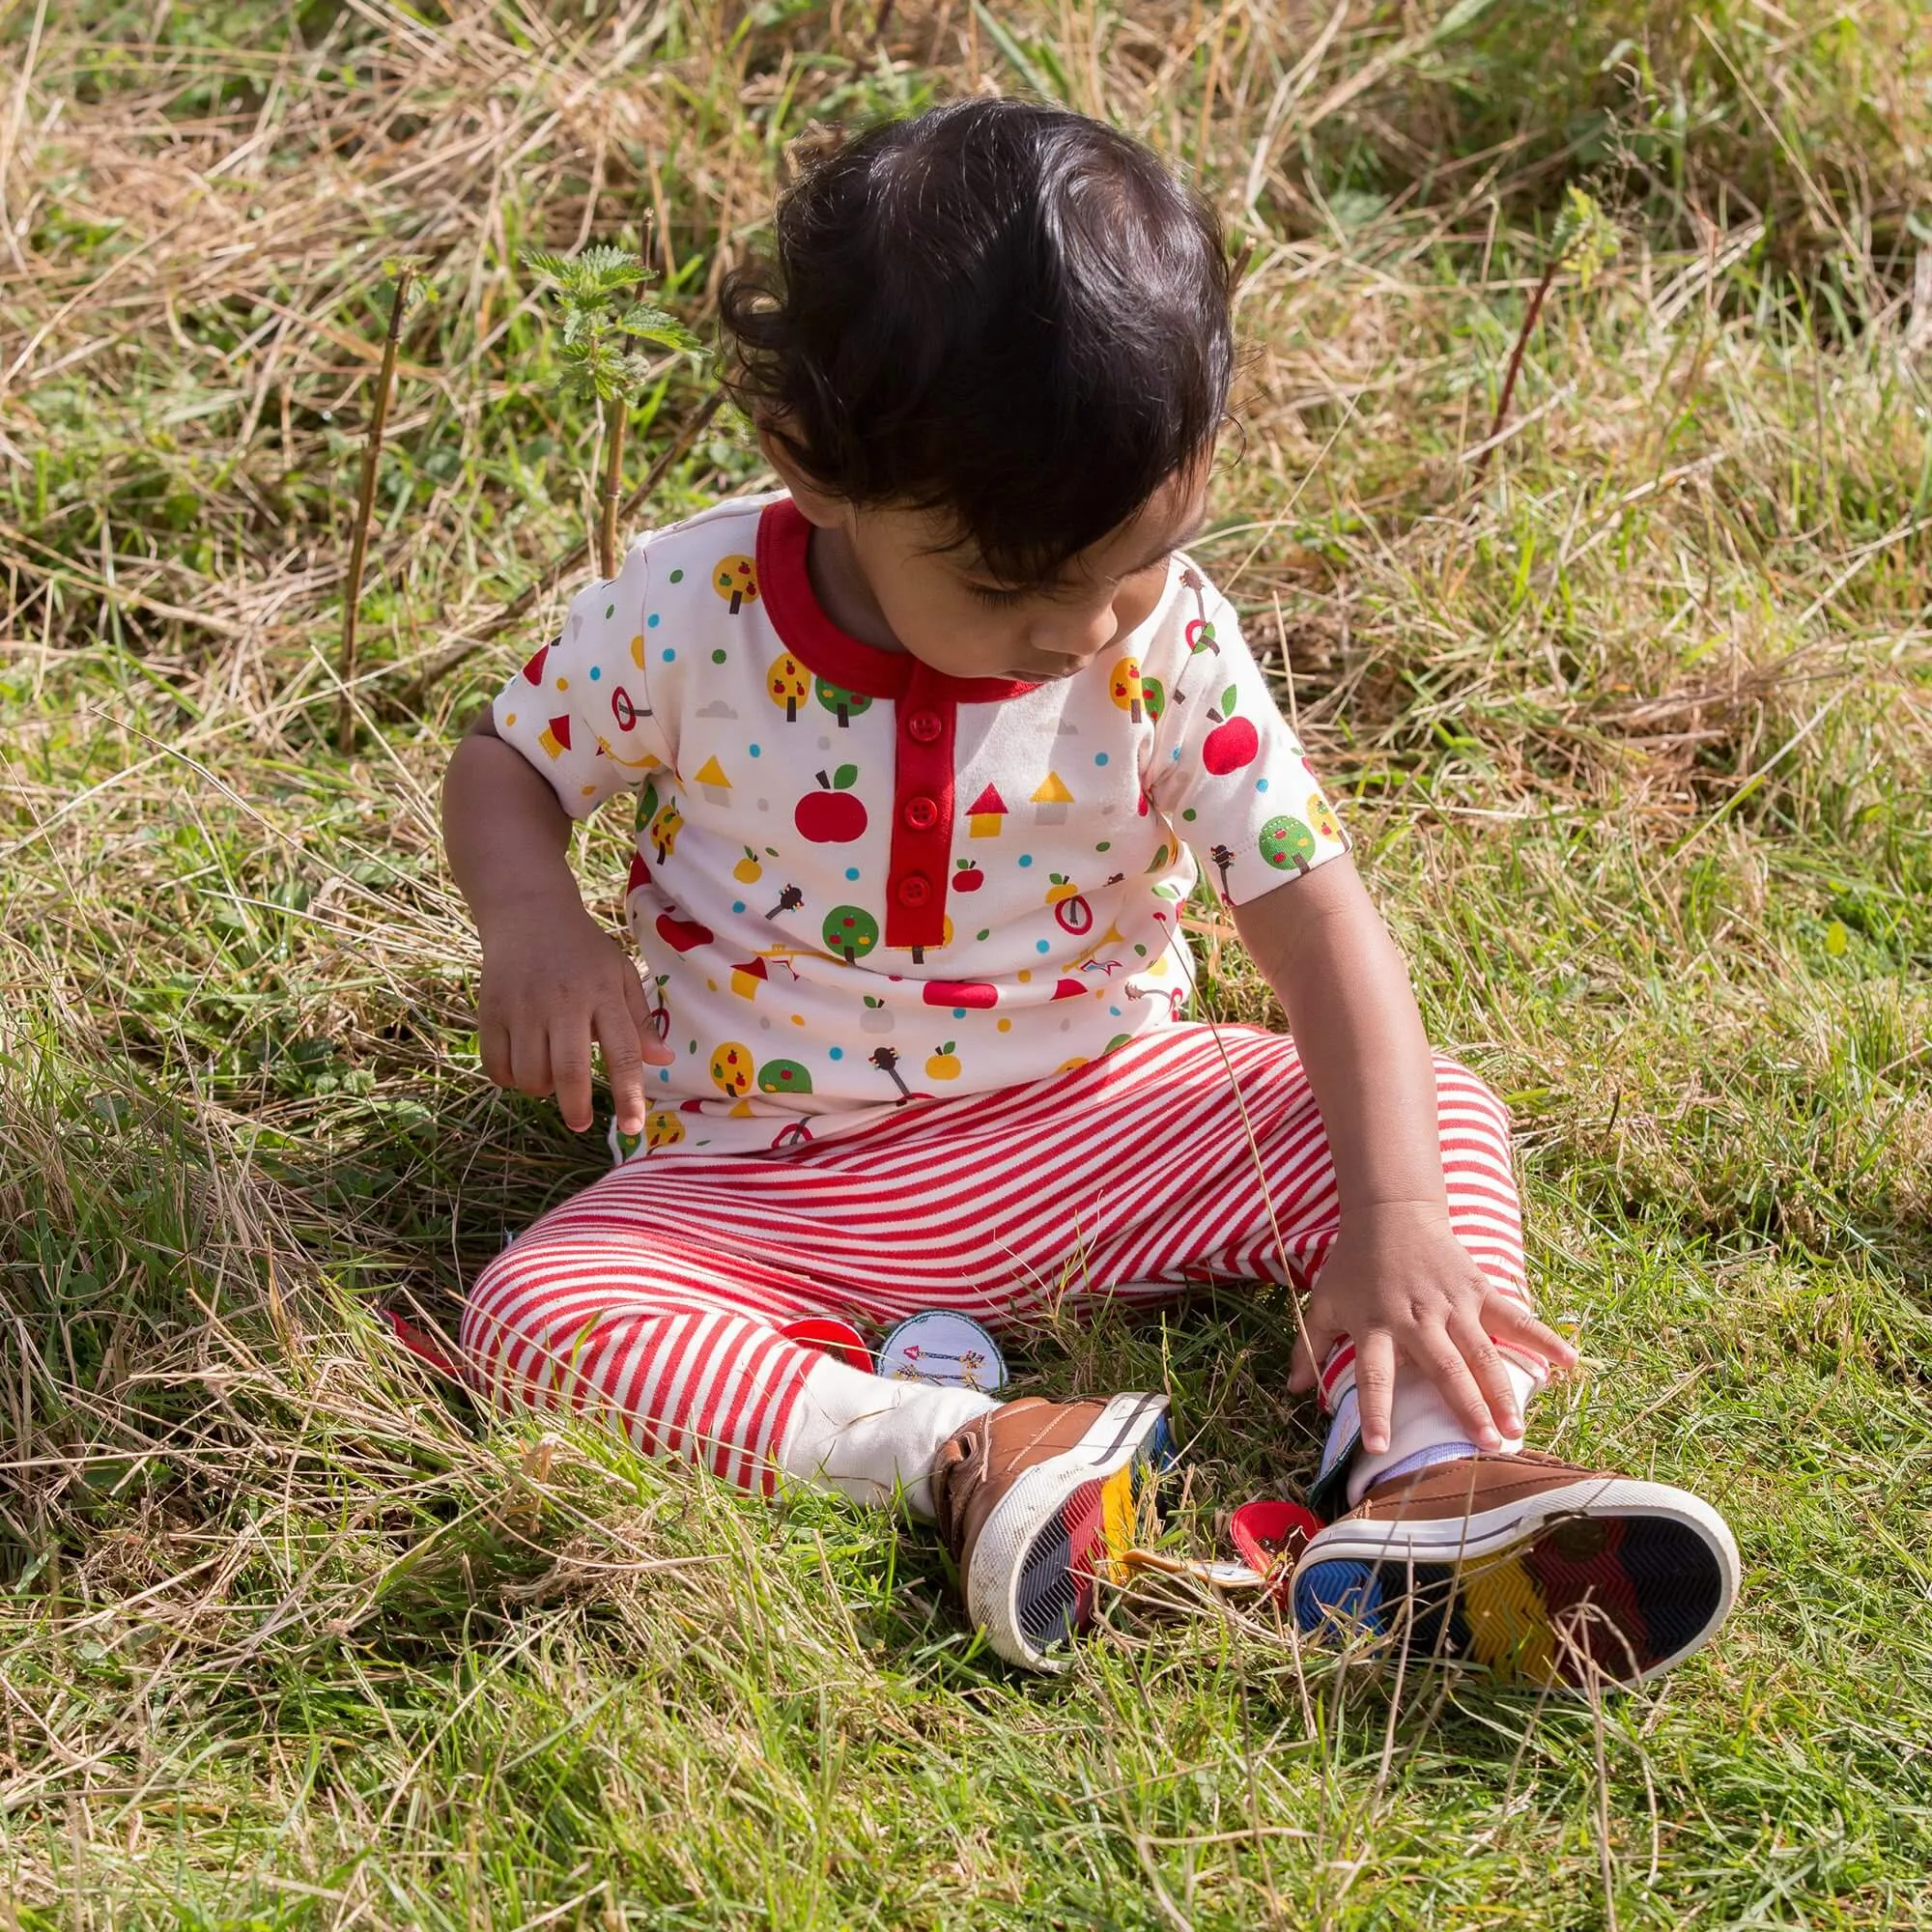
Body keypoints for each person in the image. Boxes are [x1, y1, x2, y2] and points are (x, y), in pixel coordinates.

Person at [441, 99, 1738, 1685]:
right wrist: (537, 923)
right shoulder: (693, 608)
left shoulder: (1165, 635)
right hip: (775, 1183)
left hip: (1109, 1117)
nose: (1080, 631)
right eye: (1010, 587)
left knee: (1436, 1118)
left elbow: (1314, 911)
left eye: (1134, 558)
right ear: (815, 467)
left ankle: (1428, 1469)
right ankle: (970, 1454)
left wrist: (1392, 1219)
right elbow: (507, 763)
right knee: (541, 1306)